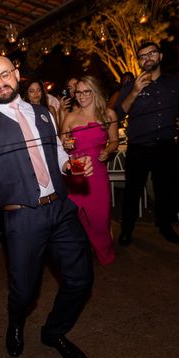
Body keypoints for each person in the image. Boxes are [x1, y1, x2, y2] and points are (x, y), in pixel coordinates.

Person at [0, 56, 94, 358]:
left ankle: (53, 332)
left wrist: (72, 164)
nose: (0, 84)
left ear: (17, 74)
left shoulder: (42, 113)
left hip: (61, 208)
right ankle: (16, 322)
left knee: (81, 278)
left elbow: (59, 152)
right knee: (25, 291)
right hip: (21, 217)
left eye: (5, 75)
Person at [115, 42, 179, 246]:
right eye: (142, 56)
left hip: (166, 147)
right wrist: (134, 91)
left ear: (160, 56)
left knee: (165, 191)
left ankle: (165, 226)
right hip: (138, 148)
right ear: (139, 61)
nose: (146, 58)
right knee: (132, 192)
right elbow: (118, 113)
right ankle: (126, 230)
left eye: (151, 53)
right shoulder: (130, 85)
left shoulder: (175, 83)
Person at [61, 76, 119, 266]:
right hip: (76, 172)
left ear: (94, 91)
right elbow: (63, 146)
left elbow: (114, 141)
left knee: (101, 219)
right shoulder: (70, 117)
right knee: (75, 219)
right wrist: (67, 144)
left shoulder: (108, 114)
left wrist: (108, 151)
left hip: (98, 172)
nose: (82, 95)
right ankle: (81, 254)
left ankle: (105, 253)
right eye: (79, 92)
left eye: (87, 91)